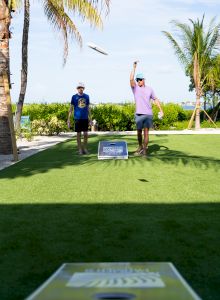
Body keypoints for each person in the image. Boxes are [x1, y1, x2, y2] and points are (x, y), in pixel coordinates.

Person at [130, 61, 164, 156]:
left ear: (144, 79)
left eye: (140, 79)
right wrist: (134, 68)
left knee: (146, 133)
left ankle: (144, 150)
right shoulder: (135, 88)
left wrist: (161, 109)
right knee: (139, 132)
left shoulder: (150, 89)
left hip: (148, 114)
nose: (139, 81)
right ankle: (140, 146)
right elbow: (131, 79)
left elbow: (155, 99)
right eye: (138, 80)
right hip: (139, 114)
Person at [67, 82, 90, 155]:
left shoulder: (87, 96)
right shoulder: (74, 97)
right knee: (78, 134)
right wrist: (68, 119)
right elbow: (71, 108)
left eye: (82, 87)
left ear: (83, 88)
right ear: (77, 88)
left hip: (85, 118)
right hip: (77, 118)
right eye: (79, 87)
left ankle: (84, 148)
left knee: (86, 134)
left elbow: (88, 108)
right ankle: (80, 149)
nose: (80, 89)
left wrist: (91, 119)